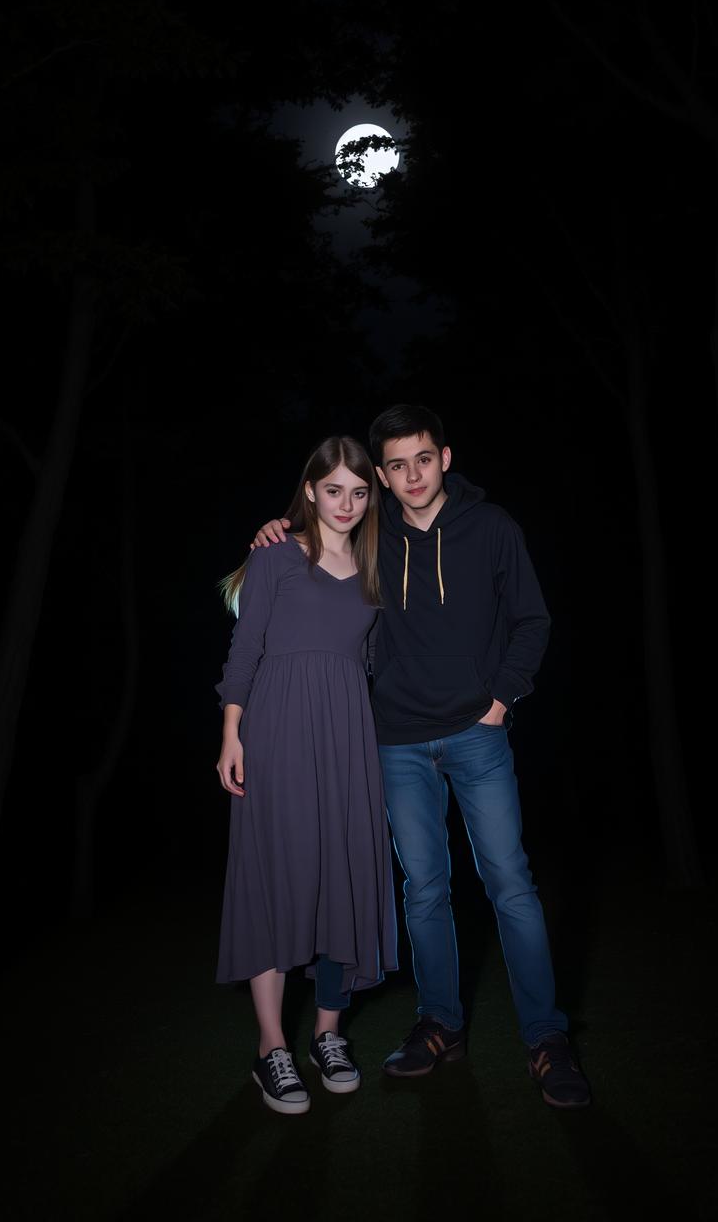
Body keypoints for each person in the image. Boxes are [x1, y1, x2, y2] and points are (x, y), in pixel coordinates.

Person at [251, 404, 591, 1109]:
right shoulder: (371, 531)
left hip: (478, 732)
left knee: (511, 884)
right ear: (381, 475)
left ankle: (546, 1037)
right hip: (395, 740)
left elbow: (533, 620)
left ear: (446, 458)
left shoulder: (493, 529)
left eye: (423, 459)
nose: (412, 474)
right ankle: (439, 1024)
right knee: (425, 890)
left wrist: (501, 700)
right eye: (396, 465)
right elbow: (318, 545)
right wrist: (279, 528)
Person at [215, 435, 397, 1116]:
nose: (346, 504)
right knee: (274, 875)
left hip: (348, 739)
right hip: (277, 729)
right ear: (311, 491)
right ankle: (271, 1048)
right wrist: (232, 733)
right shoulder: (276, 555)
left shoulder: (379, 565)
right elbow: (246, 646)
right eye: (333, 490)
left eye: (358, 492)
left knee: (341, 879)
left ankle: (328, 1035)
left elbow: (377, 662)